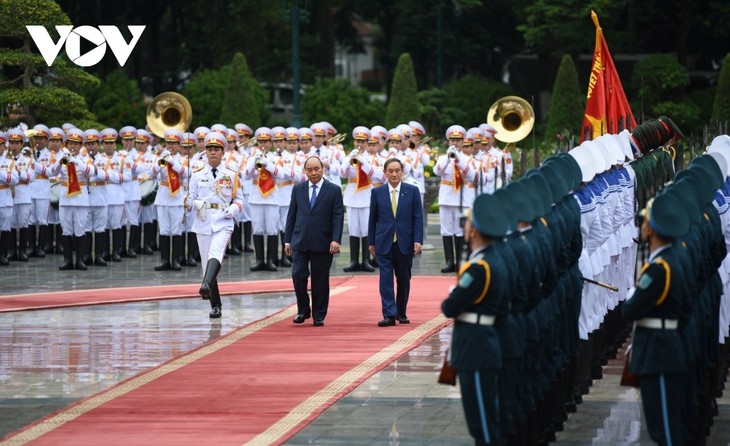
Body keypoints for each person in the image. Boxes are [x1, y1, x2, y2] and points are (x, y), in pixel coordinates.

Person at [441, 193, 511, 446]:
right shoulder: (493, 260)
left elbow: (450, 307)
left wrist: (453, 296)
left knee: (482, 423)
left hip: (476, 349)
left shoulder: (480, 267)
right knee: (484, 421)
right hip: (484, 344)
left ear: (474, 231)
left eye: (468, 223)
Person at [621, 191, 690, 446]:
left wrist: (632, 297)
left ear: (651, 229)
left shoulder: (660, 269)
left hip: (658, 353)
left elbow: (630, 310)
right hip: (665, 347)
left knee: (665, 430)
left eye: (645, 221)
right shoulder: (673, 259)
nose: (642, 225)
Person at [186, 132, 244, 318]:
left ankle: (205, 286)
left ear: (223, 152)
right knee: (206, 264)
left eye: (216, 149)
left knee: (216, 253)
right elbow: (190, 198)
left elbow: (240, 200)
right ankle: (215, 304)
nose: (212, 153)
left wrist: (233, 210)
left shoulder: (232, 174)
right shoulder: (196, 175)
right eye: (209, 149)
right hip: (203, 221)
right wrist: (190, 203)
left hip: (223, 221)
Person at [284, 156, 344, 327]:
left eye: (316, 169)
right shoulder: (298, 189)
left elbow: (338, 217)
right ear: (305, 171)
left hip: (323, 241)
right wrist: (287, 241)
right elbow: (292, 215)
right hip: (300, 240)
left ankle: (319, 314)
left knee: (320, 279)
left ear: (322, 169)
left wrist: (336, 240)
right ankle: (303, 310)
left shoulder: (333, 190)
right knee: (298, 274)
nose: (313, 173)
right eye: (309, 170)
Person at [368, 158, 423, 326]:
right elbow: (373, 219)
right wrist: (371, 242)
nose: (394, 174)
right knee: (385, 278)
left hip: (404, 241)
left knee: (404, 278)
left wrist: (418, 240)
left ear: (402, 171)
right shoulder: (377, 192)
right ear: (384, 173)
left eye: (397, 170)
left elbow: (417, 218)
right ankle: (389, 314)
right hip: (384, 241)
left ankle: (401, 312)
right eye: (390, 171)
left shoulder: (412, 191)